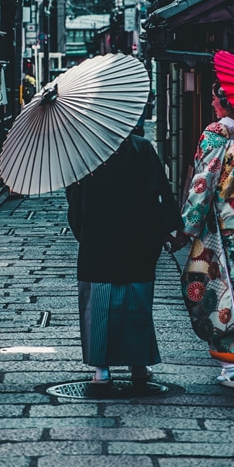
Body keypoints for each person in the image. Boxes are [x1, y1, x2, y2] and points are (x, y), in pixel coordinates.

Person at [65, 131, 183, 385]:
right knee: (136, 303)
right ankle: (138, 366)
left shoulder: (84, 151)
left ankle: (101, 370)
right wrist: (166, 230)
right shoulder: (141, 148)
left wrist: (84, 233)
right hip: (137, 240)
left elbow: (74, 200)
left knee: (97, 306)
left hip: (97, 243)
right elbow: (159, 192)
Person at [177, 81, 234, 388]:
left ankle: (231, 362)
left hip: (222, 223)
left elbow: (203, 180)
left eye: (215, 99)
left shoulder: (217, 133)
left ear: (225, 103)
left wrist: (189, 225)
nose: (212, 104)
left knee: (213, 285)